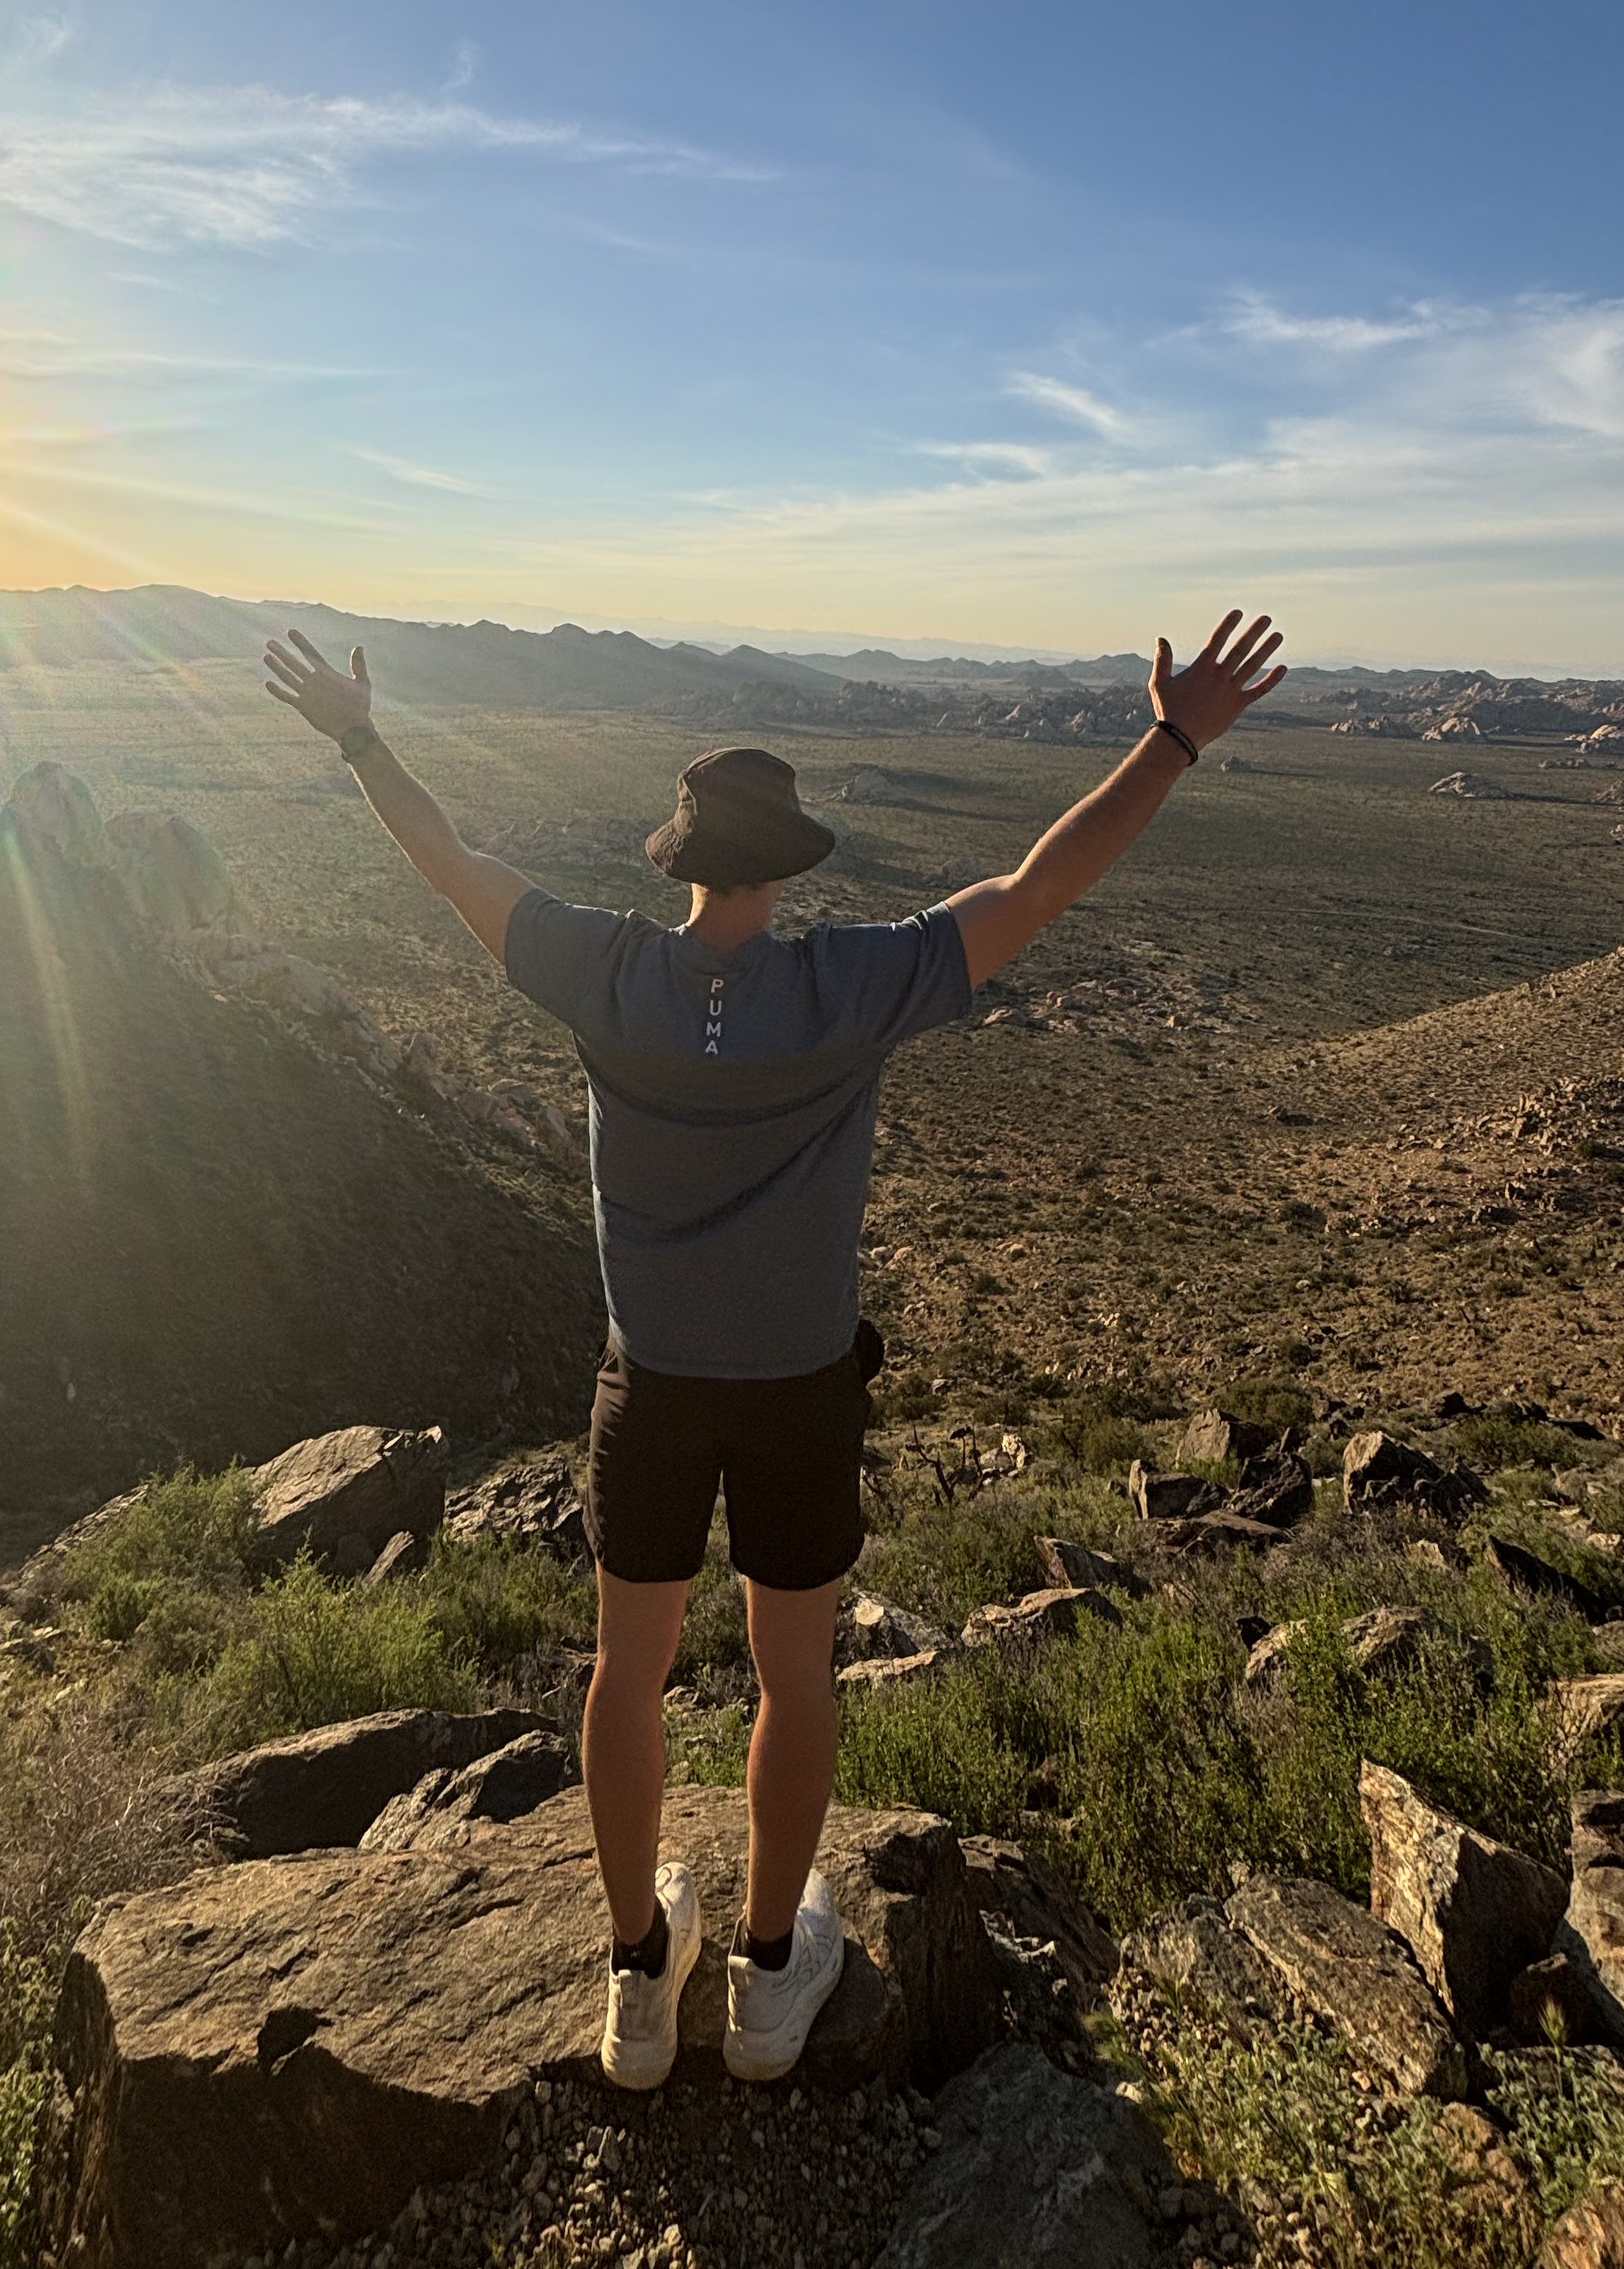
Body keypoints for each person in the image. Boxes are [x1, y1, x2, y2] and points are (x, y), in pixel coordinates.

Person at [262, 607, 1286, 2089]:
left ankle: (636, 1977)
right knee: (795, 1681)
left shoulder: (604, 973)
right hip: (801, 1392)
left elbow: (451, 863)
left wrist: (363, 743)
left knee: (627, 1676)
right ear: (787, 866)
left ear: (680, 862)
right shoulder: (845, 987)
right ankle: (762, 1977)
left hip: (650, 1388)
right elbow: (1038, 884)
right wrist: (1173, 738)